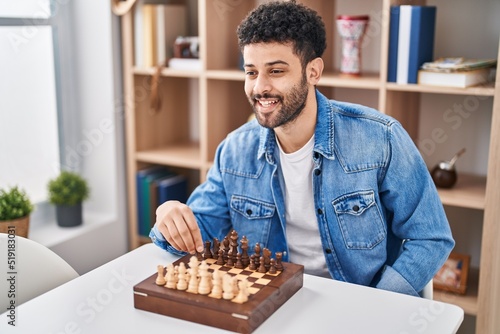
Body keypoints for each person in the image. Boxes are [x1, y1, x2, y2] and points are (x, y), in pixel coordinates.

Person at [150, 0, 454, 297]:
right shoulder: (234, 150)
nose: (259, 88)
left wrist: (379, 303)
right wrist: (169, 217)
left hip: (359, 301)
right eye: (252, 72)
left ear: (313, 72)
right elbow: (198, 232)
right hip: (274, 302)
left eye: (276, 71)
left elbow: (430, 237)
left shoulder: (380, 138)